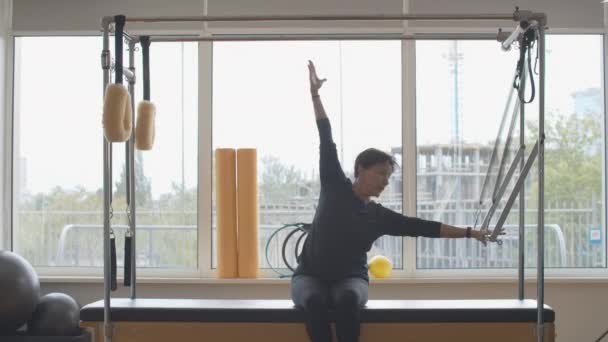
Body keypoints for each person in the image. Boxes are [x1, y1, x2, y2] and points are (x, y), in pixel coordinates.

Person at [290, 60, 505, 342]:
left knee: (346, 302)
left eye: (388, 177)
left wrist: (469, 232)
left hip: (350, 280)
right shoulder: (334, 185)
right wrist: (315, 95)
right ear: (360, 170)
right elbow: (325, 135)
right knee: (316, 304)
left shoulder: (378, 216)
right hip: (310, 277)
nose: (385, 181)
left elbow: (424, 227)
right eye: (380, 173)